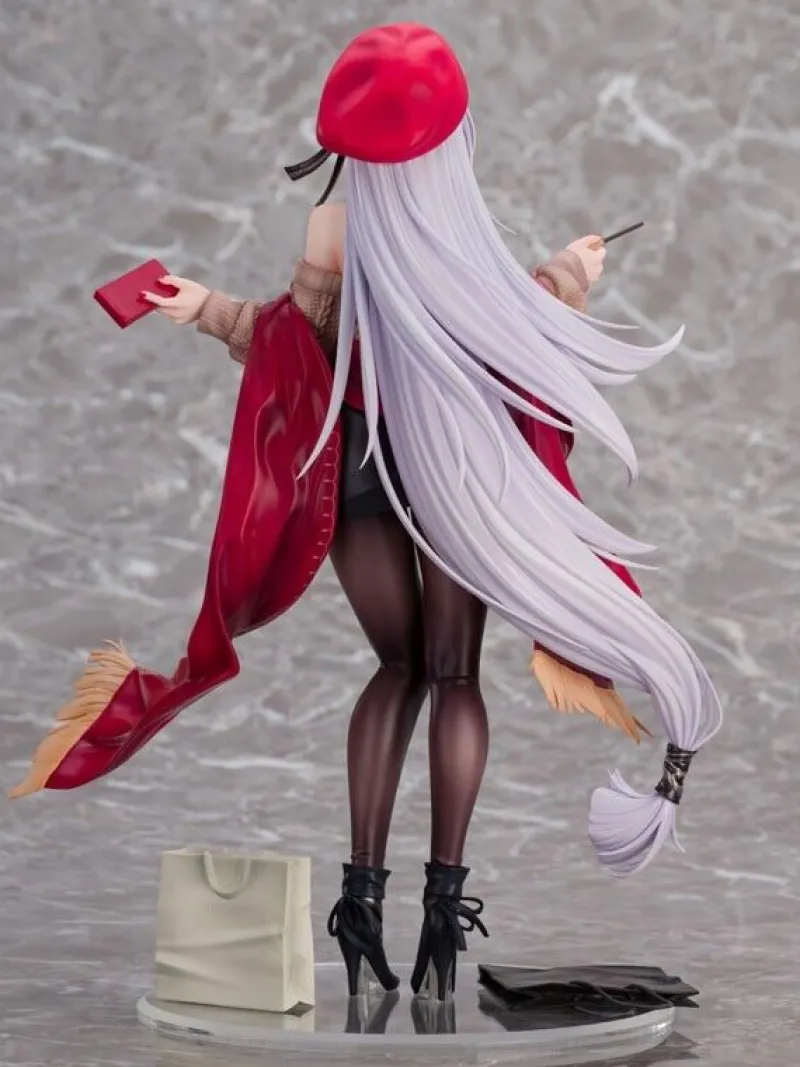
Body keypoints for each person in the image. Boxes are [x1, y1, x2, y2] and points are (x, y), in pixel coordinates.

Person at [11, 22, 722, 1002]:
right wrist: (570, 272)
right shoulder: (461, 243)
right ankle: (442, 913)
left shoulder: (334, 230)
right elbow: (526, 320)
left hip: (357, 482)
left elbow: (290, 340)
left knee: (397, 668)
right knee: (452, 673)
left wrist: (205, 307)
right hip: (451, 482)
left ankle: (359, 901)